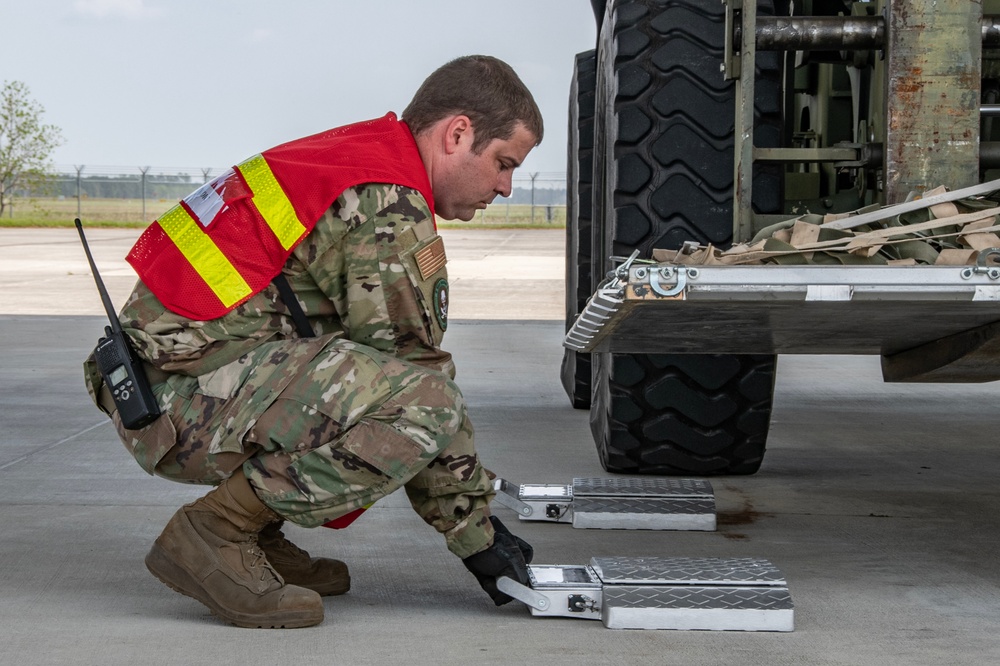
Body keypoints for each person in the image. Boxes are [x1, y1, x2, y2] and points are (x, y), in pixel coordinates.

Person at [83, 55, 543, 628]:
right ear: (457, 133)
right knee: (420, 402)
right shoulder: (386, 200)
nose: (505, 187)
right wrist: (476, 536)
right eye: (504, 163)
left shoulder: (353, 156)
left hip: (160, 388)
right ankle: (218, 531)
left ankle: (261, 533)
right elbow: (417, 376)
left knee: (355, 373)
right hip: (178, 405)